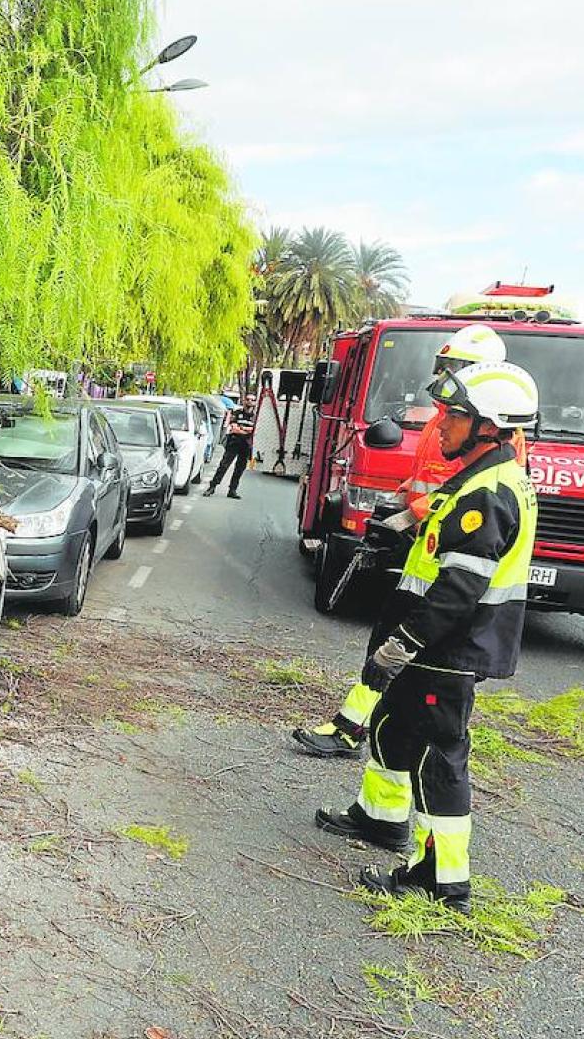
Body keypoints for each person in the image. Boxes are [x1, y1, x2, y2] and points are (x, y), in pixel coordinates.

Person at [312, 361, 540, 912]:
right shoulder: (481, 477)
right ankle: (381, 819)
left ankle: (444, 878)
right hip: (433, 644)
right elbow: (441, 525)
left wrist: (404, 644)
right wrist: (400, 528)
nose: (440, 426)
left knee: (439, 759)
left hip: (447, 649)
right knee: (392, 728)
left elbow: (460, 589)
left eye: (455, 416)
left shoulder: (489, 492)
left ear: (489, 424)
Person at [291, 324, 507, 758]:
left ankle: (351, 728)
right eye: (443, 368)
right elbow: (428, 475)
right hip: (419, 552)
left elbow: (458, 497)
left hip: (441, 563)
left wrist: (411, 515)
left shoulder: (490, 435)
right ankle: (355, 728)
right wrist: (397, 503)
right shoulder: (444, 421)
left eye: (455, 369)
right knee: (386, 647)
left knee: (396, 654)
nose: (446, 381)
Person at [203, 397, 257, 497]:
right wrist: (246, 430)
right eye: (248, 399)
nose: (250, 401)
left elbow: (254, 430)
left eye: (252, 400)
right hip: (234, 442)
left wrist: (242, 429)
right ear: (244, 401)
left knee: (240, 468)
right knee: (224, 465)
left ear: (255, 402)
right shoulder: (237, 413)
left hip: (246, 445)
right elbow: (234, 428)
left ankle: (232, 490)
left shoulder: (256, 416)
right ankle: (212, 487)